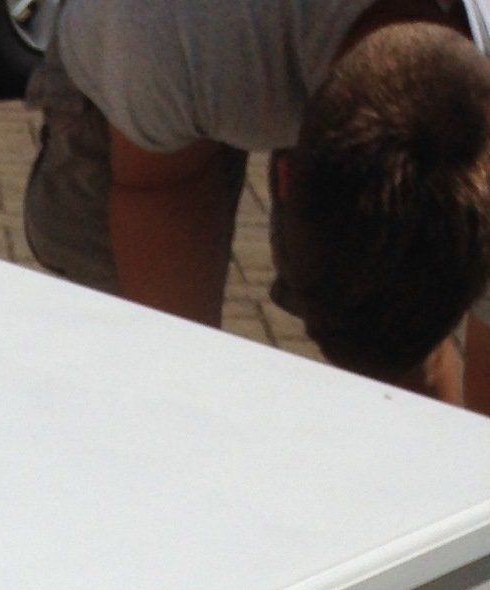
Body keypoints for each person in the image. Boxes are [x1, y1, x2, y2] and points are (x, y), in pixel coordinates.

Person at [24, 0, 490, 406]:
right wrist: (178, 407)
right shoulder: (163, 30)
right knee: (119, 340)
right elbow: (158, 189)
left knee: (395, 342)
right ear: (287, 176)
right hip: (177, 42)